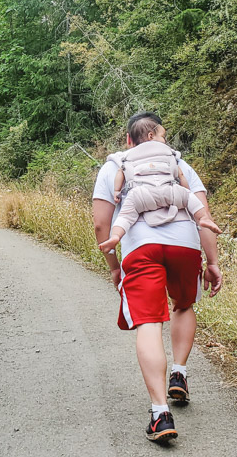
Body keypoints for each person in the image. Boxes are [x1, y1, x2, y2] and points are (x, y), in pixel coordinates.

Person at [91, 112, 223, 444]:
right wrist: (212, 261)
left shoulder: (113, 166)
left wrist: (113, 266)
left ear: (128, 140)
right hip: (184, 246)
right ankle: (179, 372)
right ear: (158, 137)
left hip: (141, 248)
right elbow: (202, 214)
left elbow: (100, 226)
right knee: (183, 306)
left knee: (149, 322)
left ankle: (160, 414)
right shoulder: (179, 163)